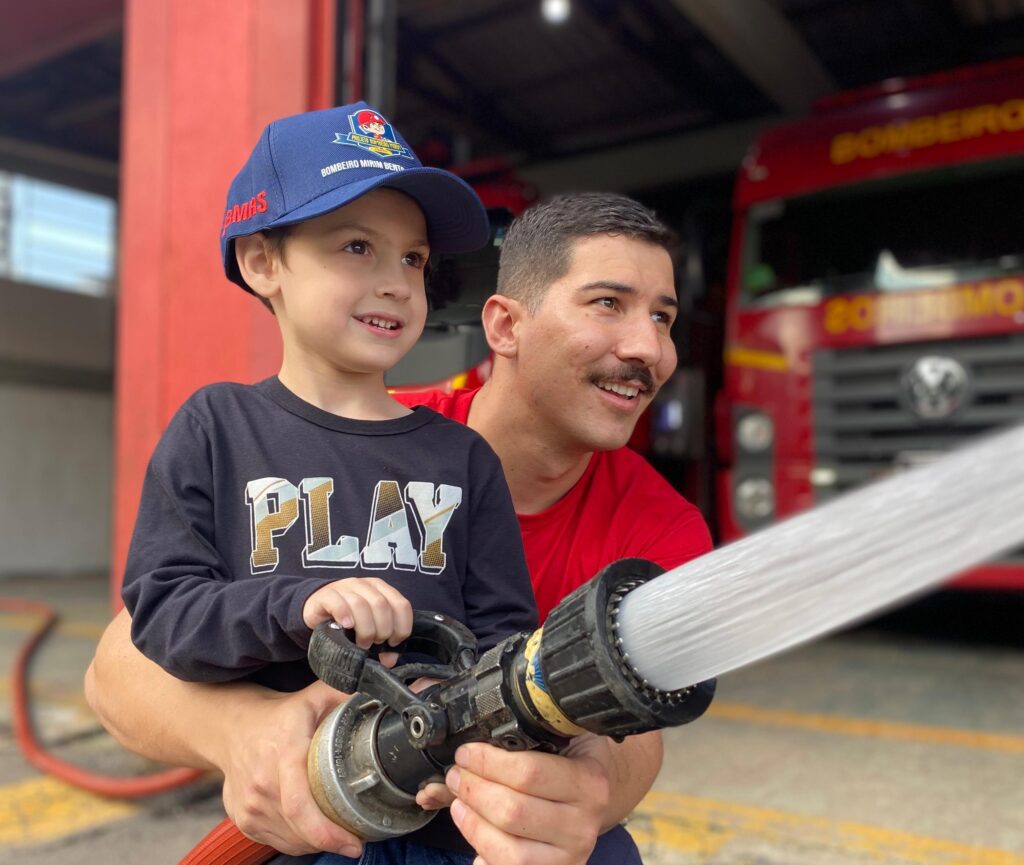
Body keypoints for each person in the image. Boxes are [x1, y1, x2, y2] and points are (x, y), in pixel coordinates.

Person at [85, 191, 713, 865]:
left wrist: (575, 794)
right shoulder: (354, 434)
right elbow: (121, 661)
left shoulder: (663, 531)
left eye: (664, 317)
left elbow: (637, 732)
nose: (649, 347)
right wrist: (243, 728)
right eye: (608, 304)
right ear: (503, 326)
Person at [117, 100, 539, 863]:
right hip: (291, 824)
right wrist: (296, 605)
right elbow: (164, 613)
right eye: (356, 247)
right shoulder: (218, 428)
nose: (396, 282)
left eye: (413, 259)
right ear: (261, 261)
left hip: (447, 822)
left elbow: (506, 636)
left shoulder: (464, 458)